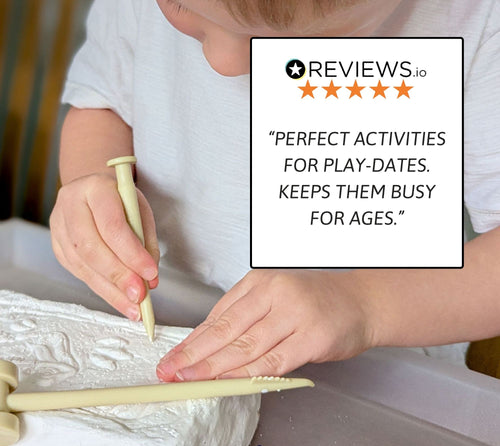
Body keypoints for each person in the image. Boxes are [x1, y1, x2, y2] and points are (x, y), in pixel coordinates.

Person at [50, 0, 500, 383]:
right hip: (170, 321)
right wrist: (90, 183)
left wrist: (364, 305)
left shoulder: (478, 21)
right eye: (179, 5)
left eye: (294, 44)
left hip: (382, 376)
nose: (224, 65)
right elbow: (103, 104)